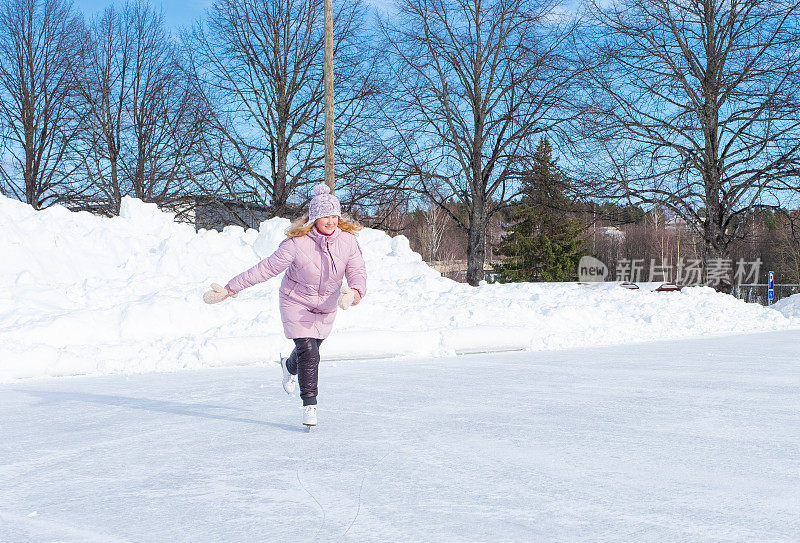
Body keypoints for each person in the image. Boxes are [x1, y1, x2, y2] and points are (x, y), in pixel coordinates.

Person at [204, 184, 367, 427]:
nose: (331, 221)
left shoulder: (348, 242)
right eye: (325, 216)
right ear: (314, 218)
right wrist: (231, 288)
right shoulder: (297, 244)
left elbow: (358, 272)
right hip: (296, 302)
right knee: (309, 352)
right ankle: (309, 406)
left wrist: (354, 293)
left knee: (306, 353)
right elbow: (265, 269)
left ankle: (288, 366)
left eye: (334, 216)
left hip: (326, 305)